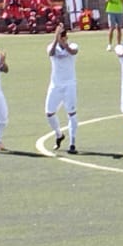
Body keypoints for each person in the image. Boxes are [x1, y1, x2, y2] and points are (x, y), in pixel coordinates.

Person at [45, 24, 80, 153]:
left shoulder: (73, 46)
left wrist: (65, 44)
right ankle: (59, 134)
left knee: (71, 113)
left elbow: (73, 52)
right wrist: (56, 39)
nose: (63, 38)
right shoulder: (51, 46)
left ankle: (72, 143)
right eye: (61, 36)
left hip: (69, 84)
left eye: (64, 36)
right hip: (55, 85)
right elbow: (51, 53)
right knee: (49, 113)